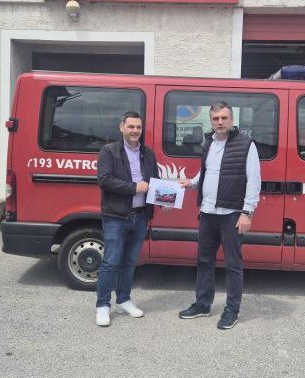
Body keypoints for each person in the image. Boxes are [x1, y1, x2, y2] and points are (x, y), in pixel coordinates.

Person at [178, 102, 261, 330]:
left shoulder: (246, 145)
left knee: (233, 264)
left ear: (232, 119)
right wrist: (191, 183)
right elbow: (206, 172)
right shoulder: (209, 143)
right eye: (216, 119)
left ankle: (232, 311)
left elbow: (254, 181)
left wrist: (247, 212)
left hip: (231, 215)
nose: (220, 122)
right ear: (211, 121)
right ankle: (203, 304)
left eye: (224, 118)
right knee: (204, 261)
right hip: (207, 213)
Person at [95, 111, 159, 327]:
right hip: (116, 216)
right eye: (131, 127)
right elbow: (104, 180)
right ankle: (102, 305)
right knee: (111, 262)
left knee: (130, 262)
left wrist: (163, 200)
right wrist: (134, 188)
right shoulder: (109, 151)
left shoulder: (148, 153)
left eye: (138, 127)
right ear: (121, 127)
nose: (135, 131)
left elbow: (155, 182)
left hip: (140, 216)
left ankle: (123, 300)